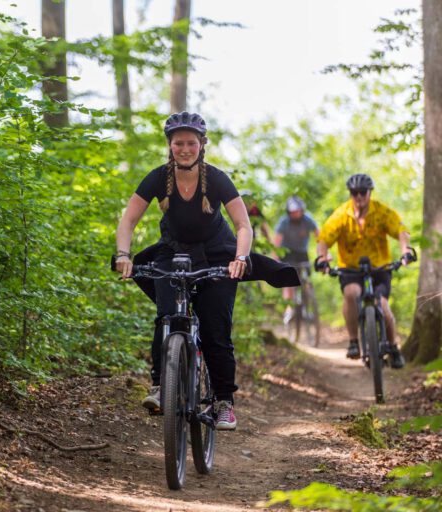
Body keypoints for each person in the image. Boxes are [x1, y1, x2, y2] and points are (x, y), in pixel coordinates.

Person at [114, 112, 299, 430]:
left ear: (202, 145)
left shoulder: (216, 178)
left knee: (216, 330)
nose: (184, 149)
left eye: (191, 143)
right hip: (172, 254)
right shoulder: (158, 177)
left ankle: (224, 401)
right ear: (170, 146)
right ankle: (161, 387)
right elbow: (128, 220)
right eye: (178, 143)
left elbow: (243, 224)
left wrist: (241, 257)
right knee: (166, 317)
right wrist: (123, 254)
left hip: (218, 256)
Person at [315, 173, 412, 368]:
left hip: (379, 268)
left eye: (362, 192)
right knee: (352, 293)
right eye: (354, 193)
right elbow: (324, 239)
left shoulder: (382, 212)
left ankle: (393, 347)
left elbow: (400, 230)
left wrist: (406, 251)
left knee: (383, 307)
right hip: (350, 269)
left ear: (370, 192)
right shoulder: (341, 215)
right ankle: (353, 341)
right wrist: (322, 258)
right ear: (350, 193)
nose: (358, 196)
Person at [274, 195, 319, 323]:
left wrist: (322, 253)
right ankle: (289, 309)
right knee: (289, 280)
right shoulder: (284, 222)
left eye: (298, 211)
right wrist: (275, 259)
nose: (296, 214)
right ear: (289, 212)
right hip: (287, 252)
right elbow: (277, 242)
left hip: (302, 252)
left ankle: (308, 305)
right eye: (293, 212)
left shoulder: (308, 220)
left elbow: (319, 236)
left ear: (302, 211)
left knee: (307, 279)